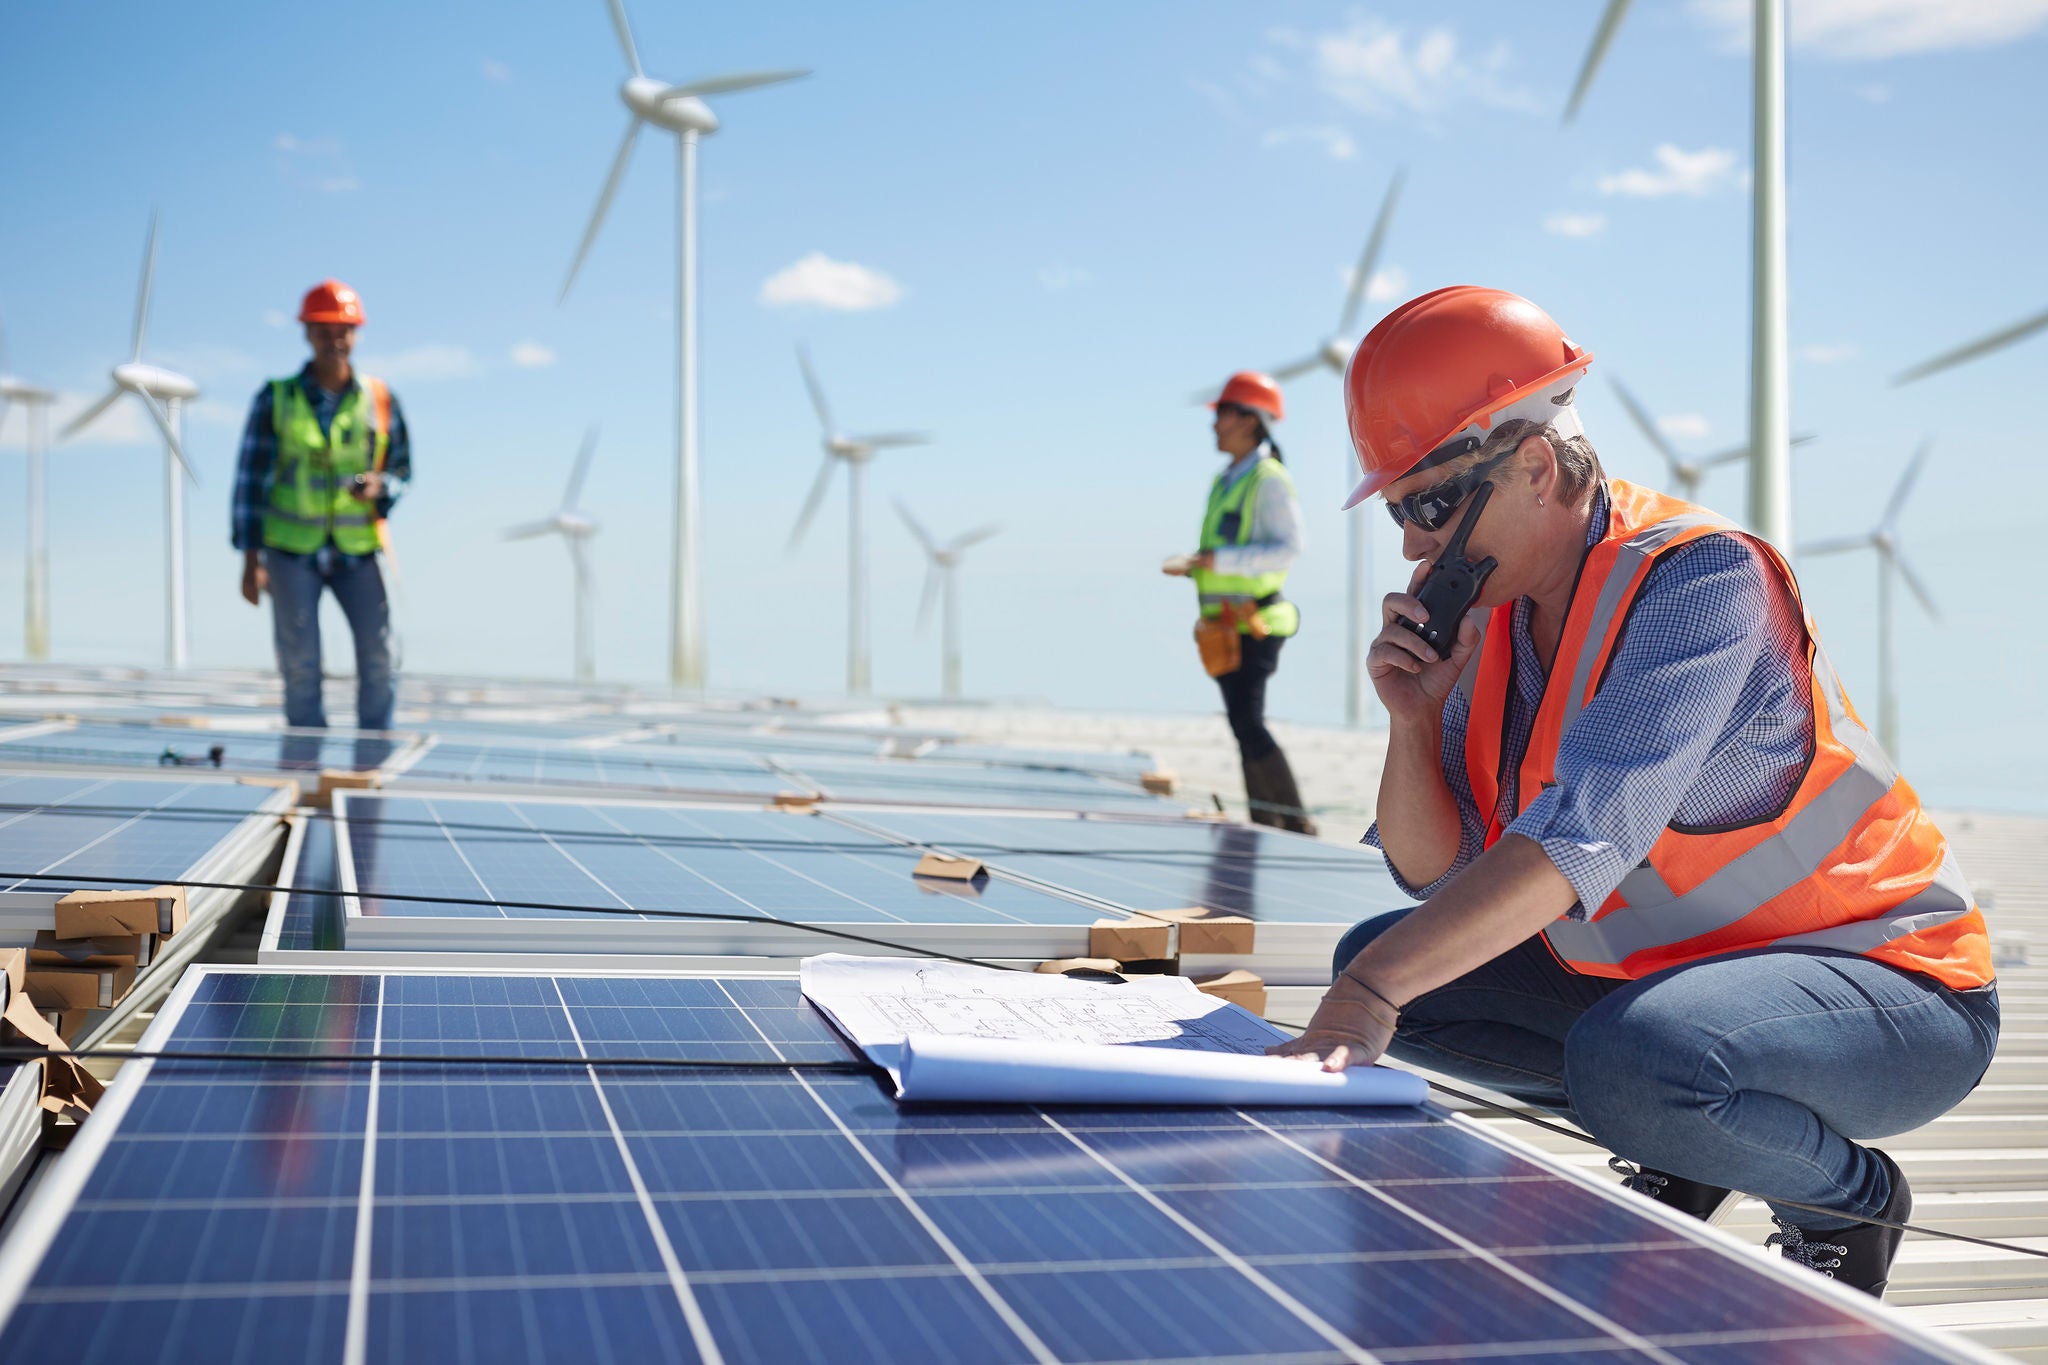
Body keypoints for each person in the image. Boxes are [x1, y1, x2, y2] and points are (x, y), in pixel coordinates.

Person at [1271, 286, 1997, 1298]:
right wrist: (1408, 720)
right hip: (1685, 980)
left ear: (1531, 464)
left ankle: (1843, 1196)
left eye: (1430, 505)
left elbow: (1577, 839)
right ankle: (1691, 1136)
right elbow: (1426, 870)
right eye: (1397, 511)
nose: (1409, 546)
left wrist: (1364, 998)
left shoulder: (1697, 584)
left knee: (1615, 1056)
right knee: (1397, 968)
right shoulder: (1492, 620)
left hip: (1891, 989)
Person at [231, 279, 410, 734]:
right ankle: (304, 766)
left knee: (380, 655)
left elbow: (403, 471)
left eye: (343, 330)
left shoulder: (381, 399)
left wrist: (379, 485)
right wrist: (251, 559)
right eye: (324, 330)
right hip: (291, 551)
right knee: (300, 661)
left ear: (356, 334)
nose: (334, 340)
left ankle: (372, 763)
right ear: (307, 333)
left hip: (358, 548)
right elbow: (250, 481)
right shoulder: (277, 398)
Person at [1165, 372, 1316, 835]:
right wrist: (1200, 565)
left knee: (1248, 723)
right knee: (1241, 725)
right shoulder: (1227, 480)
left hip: (1256, 623)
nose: (1214, 425)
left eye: (1222, 415)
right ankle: (1267, 823)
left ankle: (1293, 826)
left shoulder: (1267, 479)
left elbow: (1288, 548)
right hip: (1224, 626)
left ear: (1249, 420)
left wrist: (1216, 559)